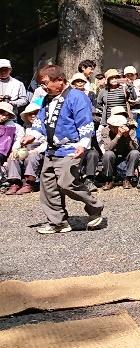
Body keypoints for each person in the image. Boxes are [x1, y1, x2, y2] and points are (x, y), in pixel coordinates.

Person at [24, 64, 104, 234]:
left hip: (71, 148)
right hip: (52, 150)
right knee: (48, 187)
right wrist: (33, 135)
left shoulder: (77, 97)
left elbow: (85, 122)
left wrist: (83, 144)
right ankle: (58, 222)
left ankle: (95, 207)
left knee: (67, 183)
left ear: (59, 80)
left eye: (45, 83)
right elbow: (40, 121)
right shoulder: (46, 98)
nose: (43, 87)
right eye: (41, 84)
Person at [86, 114, 140, 190]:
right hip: (113, 153)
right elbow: (108, 148)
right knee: (108, 154)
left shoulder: (130, 130)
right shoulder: (106, 130)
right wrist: (118, 136)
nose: (111, 128)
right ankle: (109, 179)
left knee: (135, 153)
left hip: (126, 153)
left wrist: (127, 137)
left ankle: (127, 179)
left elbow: (135, 148)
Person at [5, 102, 44, 195]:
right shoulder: (26, 128)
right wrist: (15, 149)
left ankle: (29, 183)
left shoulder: (45, 127)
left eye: (36, 113)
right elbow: (19, 140)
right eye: (30, 114)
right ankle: (15, 183)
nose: (33, 116)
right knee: (13, 157)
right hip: (26, 148)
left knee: (32, 157)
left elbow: (47, 143)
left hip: (40, 149)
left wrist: (36, 150)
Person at [0, 101, 19, 183]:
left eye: (7, 115)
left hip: (2, 151)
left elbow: (5, 143)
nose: (4, 117)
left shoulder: (10, 126)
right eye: (3, 114)